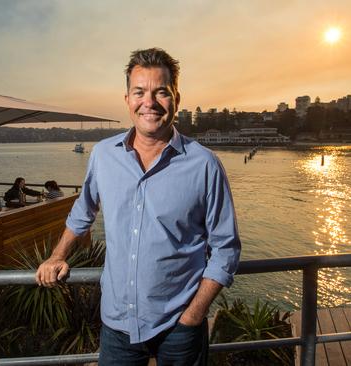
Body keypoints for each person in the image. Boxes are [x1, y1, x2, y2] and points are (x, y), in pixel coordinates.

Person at [36, 48, 241, 365]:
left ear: (176, 98)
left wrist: (193, 315)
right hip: (117, 325)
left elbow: (226, 247)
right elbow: (83, 212)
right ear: (127, 100)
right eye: (140, 92)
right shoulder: (103, 155)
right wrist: (57, 255)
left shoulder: (204, 164)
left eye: (161, 92)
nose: (150, 102)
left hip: (180, 326)